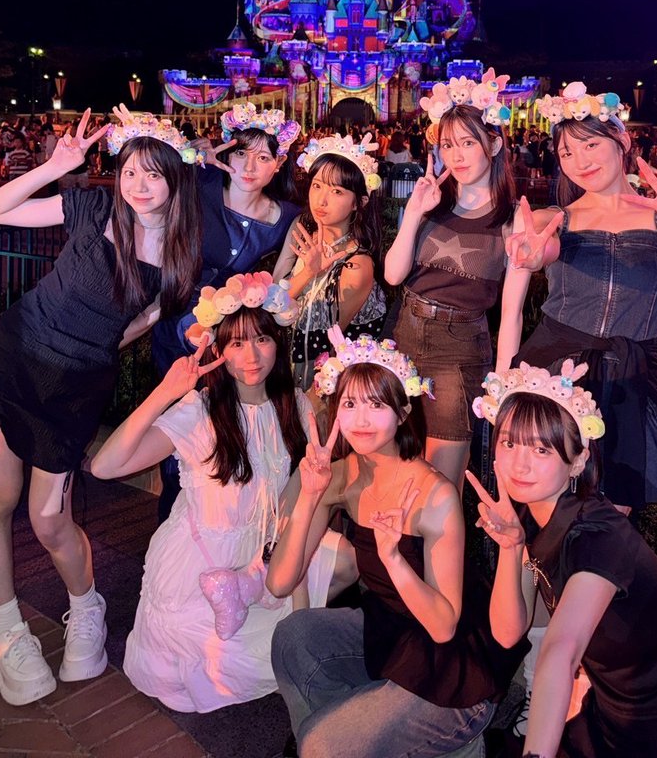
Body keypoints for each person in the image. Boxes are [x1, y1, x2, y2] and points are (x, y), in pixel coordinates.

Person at [0, 108, 202, 707]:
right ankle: (5, 629)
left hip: (74, 387)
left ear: (175, 179)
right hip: (14, 360)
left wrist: (88, 351)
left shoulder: (180, 260)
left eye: (153, 174)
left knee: (49, 521)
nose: (137, 185)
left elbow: (137, 324)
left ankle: (86, 605)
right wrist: (54, 167)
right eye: (129, 171)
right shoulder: (93, 208)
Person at [468, 362, 657, 758]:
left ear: (578, 461)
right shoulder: (532, 514)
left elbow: (562, 650)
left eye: (541, 449)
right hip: (615, 716)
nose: (519, 464)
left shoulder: (598, 536)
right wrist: (511, 547)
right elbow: (508, 633)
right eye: (509, 443)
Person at [91, 277, 350, 712]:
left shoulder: (294, 405)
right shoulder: (201, 411)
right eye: (237, 344)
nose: (251, 357)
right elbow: (105, 466)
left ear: (278, 342)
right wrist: (166, 392)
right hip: (204, 571)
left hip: (264, 557)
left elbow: (292, 502)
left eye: (262, 339)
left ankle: (291, 633)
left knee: (346, 562)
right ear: (218, 349)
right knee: (232, 669)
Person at [268, 331, 517, 758]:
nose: (361, 419)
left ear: (403, 412)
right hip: (392, 638)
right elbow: (279, 583)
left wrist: (393, 559)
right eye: (350, 404)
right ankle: (345, 738)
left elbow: (443, 626)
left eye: (376, 404)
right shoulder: (340, 476)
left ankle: (454, 742)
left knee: (320, 746)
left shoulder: (434, 495)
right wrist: (309, 495)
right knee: (293, 637)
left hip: (454, 672)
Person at [503, 83, 657, 512]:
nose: (580, 161)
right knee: (545, 510)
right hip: (555, 372)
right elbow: (541, 246)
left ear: (621, 142)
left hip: (631, 378)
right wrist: (532, 251)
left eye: (590, 145)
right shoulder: (556, 218)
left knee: (609, 520)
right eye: (567, 152)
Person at [150, 101, 302, 519]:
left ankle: (220, 529)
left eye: (264, 157)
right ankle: (172, 529)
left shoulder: (288, 217)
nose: (249, 166)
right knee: (175, 438)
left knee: (220, 437)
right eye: (241, 153)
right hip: (177, 333)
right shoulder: (199, 187)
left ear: (278, 165)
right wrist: (191, 158)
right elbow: (150, 182)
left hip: (228, 344)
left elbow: (287, 274)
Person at [383, 70, 517, 488]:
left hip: (458, 349)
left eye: (468, 143)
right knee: (395, 469)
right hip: (403, 332)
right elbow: (393, 274)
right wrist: (414, 212)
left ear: (493, 144)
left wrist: (503, 384)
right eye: (447, 144)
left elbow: (512, 313)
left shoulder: (511, 220)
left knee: (440, 483)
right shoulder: (433, 202)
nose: (457, 155)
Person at [283, 135, 387, 393]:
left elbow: (329, 338)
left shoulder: (357, 263)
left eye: (337, 191)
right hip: (285, 368)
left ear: (358, 203)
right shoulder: (303, 232)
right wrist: (308, 272)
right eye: (317, 186)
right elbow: (274, 303)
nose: (321, 200)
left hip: (325, 380)